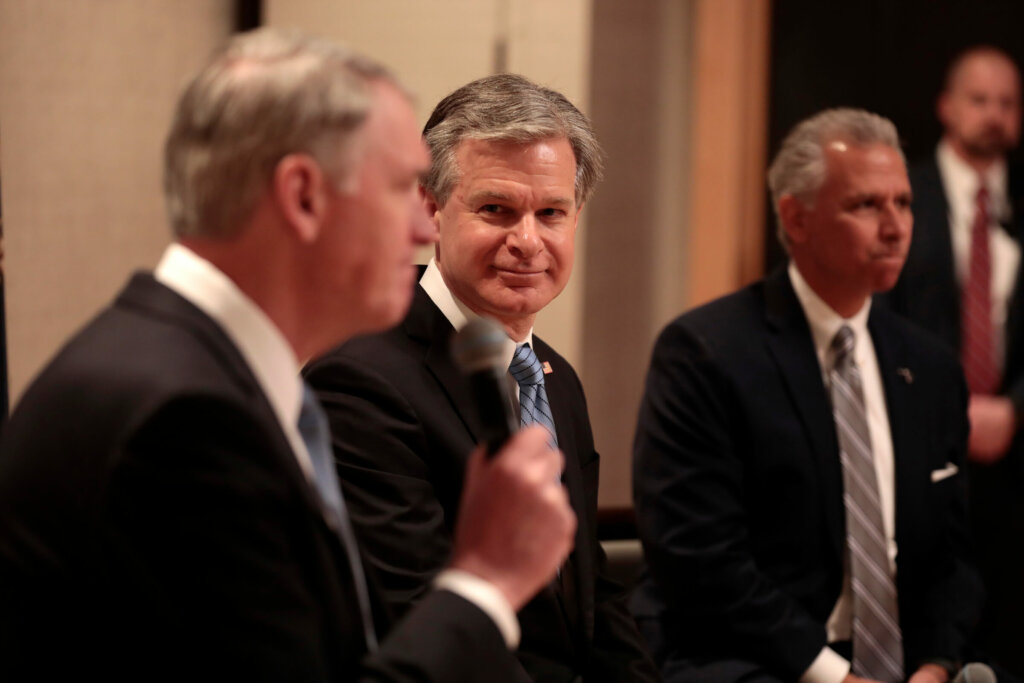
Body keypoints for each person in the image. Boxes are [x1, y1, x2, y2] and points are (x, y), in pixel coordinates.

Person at [0, 29, 576, 682]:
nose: (424, 228)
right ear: (303, 196)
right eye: (400, 189)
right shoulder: (186, 417)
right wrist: (486, 580)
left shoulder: (191, 368)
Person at [304, 74, 659, 682]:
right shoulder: (360, 380)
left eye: (551, 213)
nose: (528, 241)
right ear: (430, 209)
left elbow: (591, 597)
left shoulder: (557, 378)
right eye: (496, 210)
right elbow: (417, 621)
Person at [631, 108, 983, 683]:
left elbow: (954, 561)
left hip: (906, 665)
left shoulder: (931, 367)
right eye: (866, 205)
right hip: (752, 659)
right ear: (796, 218)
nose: (895, 227)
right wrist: (834, 678)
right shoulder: (705, 353)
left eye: (903, 203)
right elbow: (700, 559)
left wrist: (936, 666)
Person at [880, 46, 1024, 673]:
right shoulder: (898, 197)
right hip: (914, 444)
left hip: (1014, 463)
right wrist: (950, 408)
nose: (994, 114)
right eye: (979, 99)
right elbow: (876, 315)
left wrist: (1014, 410)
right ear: (946, 106)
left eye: (1008, 103)